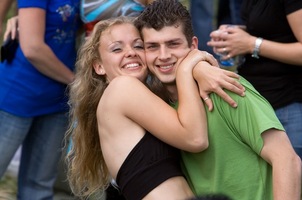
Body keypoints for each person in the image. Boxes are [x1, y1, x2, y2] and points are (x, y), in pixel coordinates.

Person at [135, 0, 301, 199]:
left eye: (173, 44)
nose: (163, 55)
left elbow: (288, 161)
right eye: (152, 46)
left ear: (193, 45)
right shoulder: (156, 105)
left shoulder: (224, 88)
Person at [66, 16, 246, 200]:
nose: (130, 52)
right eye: (117, 49)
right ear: (99, 66)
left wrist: (197, 69)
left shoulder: (144, 99)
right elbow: (196, 139)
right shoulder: (121, 88)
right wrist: (186, 68)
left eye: (138, 46)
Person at [0, 0, 81, 199]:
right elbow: (33, 48)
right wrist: (77, 83)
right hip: (18, 96)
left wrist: (22, 18)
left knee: (39, 187)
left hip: (57, 98)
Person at [207, 0, 302, 158]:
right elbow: (277, 28)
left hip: (287, 106)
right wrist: (237, 35)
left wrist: (252, 44)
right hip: (262, 105)